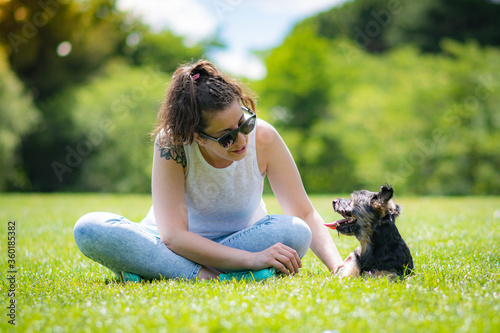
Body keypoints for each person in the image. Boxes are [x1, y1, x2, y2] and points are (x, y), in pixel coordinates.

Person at [74, 60, 342, 282]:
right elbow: (174, 237)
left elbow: (303, 212)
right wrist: (252, 260)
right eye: (226, 137)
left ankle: (159, 271)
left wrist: (339, 268)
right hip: (169, 244)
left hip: (240, 239)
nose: (242, 141)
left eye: (244, 123)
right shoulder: (172, 143)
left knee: (296, 231)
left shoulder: (264, 138)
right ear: (197, 137)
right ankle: (216, 276)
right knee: (88, 228)